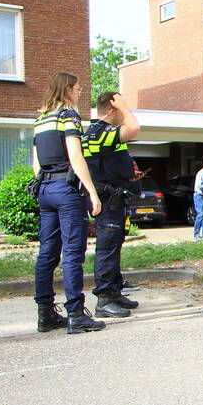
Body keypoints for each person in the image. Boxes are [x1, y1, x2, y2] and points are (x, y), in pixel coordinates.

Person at [32, 72, 105, 334]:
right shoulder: (68, 116)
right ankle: (76, 314)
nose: (80, 91)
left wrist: (44, 186)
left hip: (46, 189)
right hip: (67, 189)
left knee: (47, 253)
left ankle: (46, 314)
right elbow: (75, 155)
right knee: (73, 253)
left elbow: (36, 163)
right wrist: (92, 192)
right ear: (67, 89)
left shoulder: (41, 118)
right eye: (77, 87)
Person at [82, 91, 141, 318]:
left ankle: (114, 292)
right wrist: (124, 107)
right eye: (120, 105)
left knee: (113, 246)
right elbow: (134, 128)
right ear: (112, 108)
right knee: (107, 248)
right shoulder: (101, 132)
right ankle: (104, 300)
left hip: (114, 198)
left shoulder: (103, 133)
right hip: (108, 200)